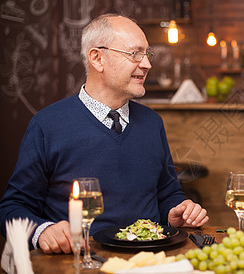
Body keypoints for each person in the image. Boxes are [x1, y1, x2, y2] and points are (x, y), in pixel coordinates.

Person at [0, 14, 209, 255]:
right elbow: (12, 208)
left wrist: (176, 211)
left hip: (149, 262)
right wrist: (43, 231)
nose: (147, 64)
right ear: (97, 58)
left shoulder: (152, 123)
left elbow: (168, 194)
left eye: (147, 54)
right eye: (135, 54)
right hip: (78, 263)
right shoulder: (47, 125)